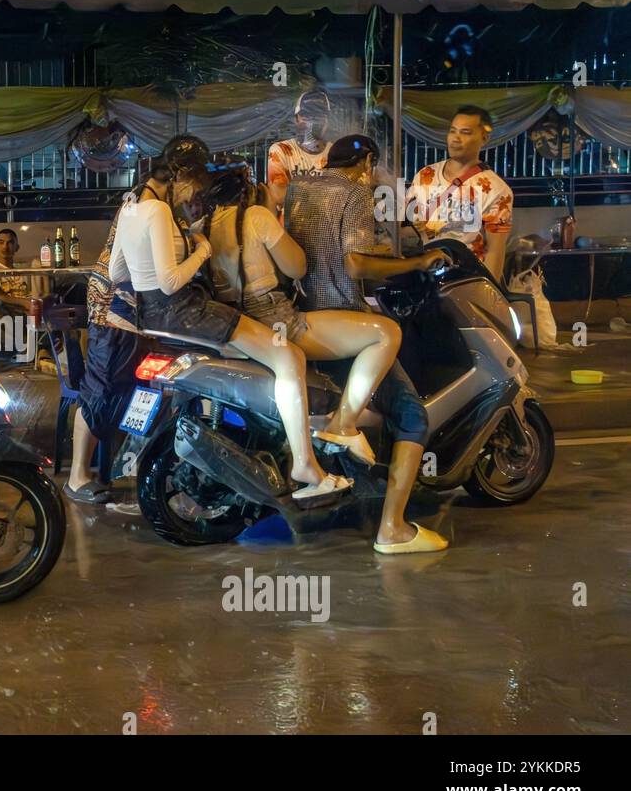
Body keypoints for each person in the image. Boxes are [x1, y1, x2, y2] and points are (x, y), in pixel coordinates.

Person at [109, 134, 351, 504]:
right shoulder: (157, 210)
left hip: (153, 316)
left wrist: (176, 244)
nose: (192, 197)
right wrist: (201, 249)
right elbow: (170, 281)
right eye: (192, 186)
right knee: (290, 356)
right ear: (180, 176)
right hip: (185, 310)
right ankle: (305, 465)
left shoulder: (129, 208)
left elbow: (116, 273)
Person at [284, 133, 450, 554]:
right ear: (366, 162)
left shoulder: (301, 187)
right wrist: (415, 262)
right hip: (342, 320)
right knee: (412, 415)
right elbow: (355, 263)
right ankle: (392, 527)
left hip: (299, 313)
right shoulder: (355, 191)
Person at [206, 152, 403, 468]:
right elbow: (297, 267)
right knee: (386, 333)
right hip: (274, 317)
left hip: (235, 321)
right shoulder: (257, 217)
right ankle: (343, 424)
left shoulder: (206, 223)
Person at [64, 204, 143, 504]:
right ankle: (77, 477)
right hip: (113, 304)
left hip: (125, 305)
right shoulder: (139, 205)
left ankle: (102, 471)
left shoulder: (148, 203)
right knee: (98, 389)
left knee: (114, 389)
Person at [408, 104, 513, 281]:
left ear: (484, 138)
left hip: (467, 281)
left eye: (465, 132)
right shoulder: (426, 175)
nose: (455, 138)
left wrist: (488, 296)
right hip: (427, 277)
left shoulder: (497, 190)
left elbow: (495, 252)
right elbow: (406, 229)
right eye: (452, 131)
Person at [265, 89, 333, 212]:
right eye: (307, 115)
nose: (313, 121)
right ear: (297, 119)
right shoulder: (281, 151)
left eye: (318, 115)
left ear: (327, 120)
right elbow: (278, 195)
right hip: (289, 230)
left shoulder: (335, 152)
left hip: (326, 229)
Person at [0, 228, 45, 317]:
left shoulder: (23, 270)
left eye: (10, 243)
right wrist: (23, 302)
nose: (5, 247)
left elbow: (37, 294)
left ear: (17, 247)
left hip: (27, 312)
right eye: (1, 242)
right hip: (7, 313)